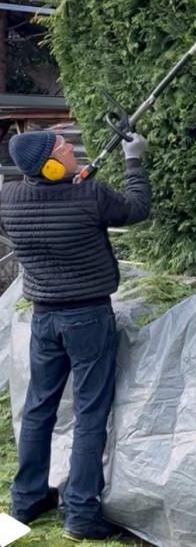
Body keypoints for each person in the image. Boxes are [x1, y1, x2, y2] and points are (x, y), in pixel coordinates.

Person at [0, 127, 151, 541]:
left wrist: (65, 185)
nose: (70, 147)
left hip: (44, 319)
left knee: (38, 409)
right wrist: (133, 160)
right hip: (87, 318)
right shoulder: (91, 195)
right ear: (50, 165)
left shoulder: (9, 198)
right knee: (89, 415)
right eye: (63, 148)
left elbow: (49, 205)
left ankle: (26, 501)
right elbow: (136, 209)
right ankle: (82, 514)